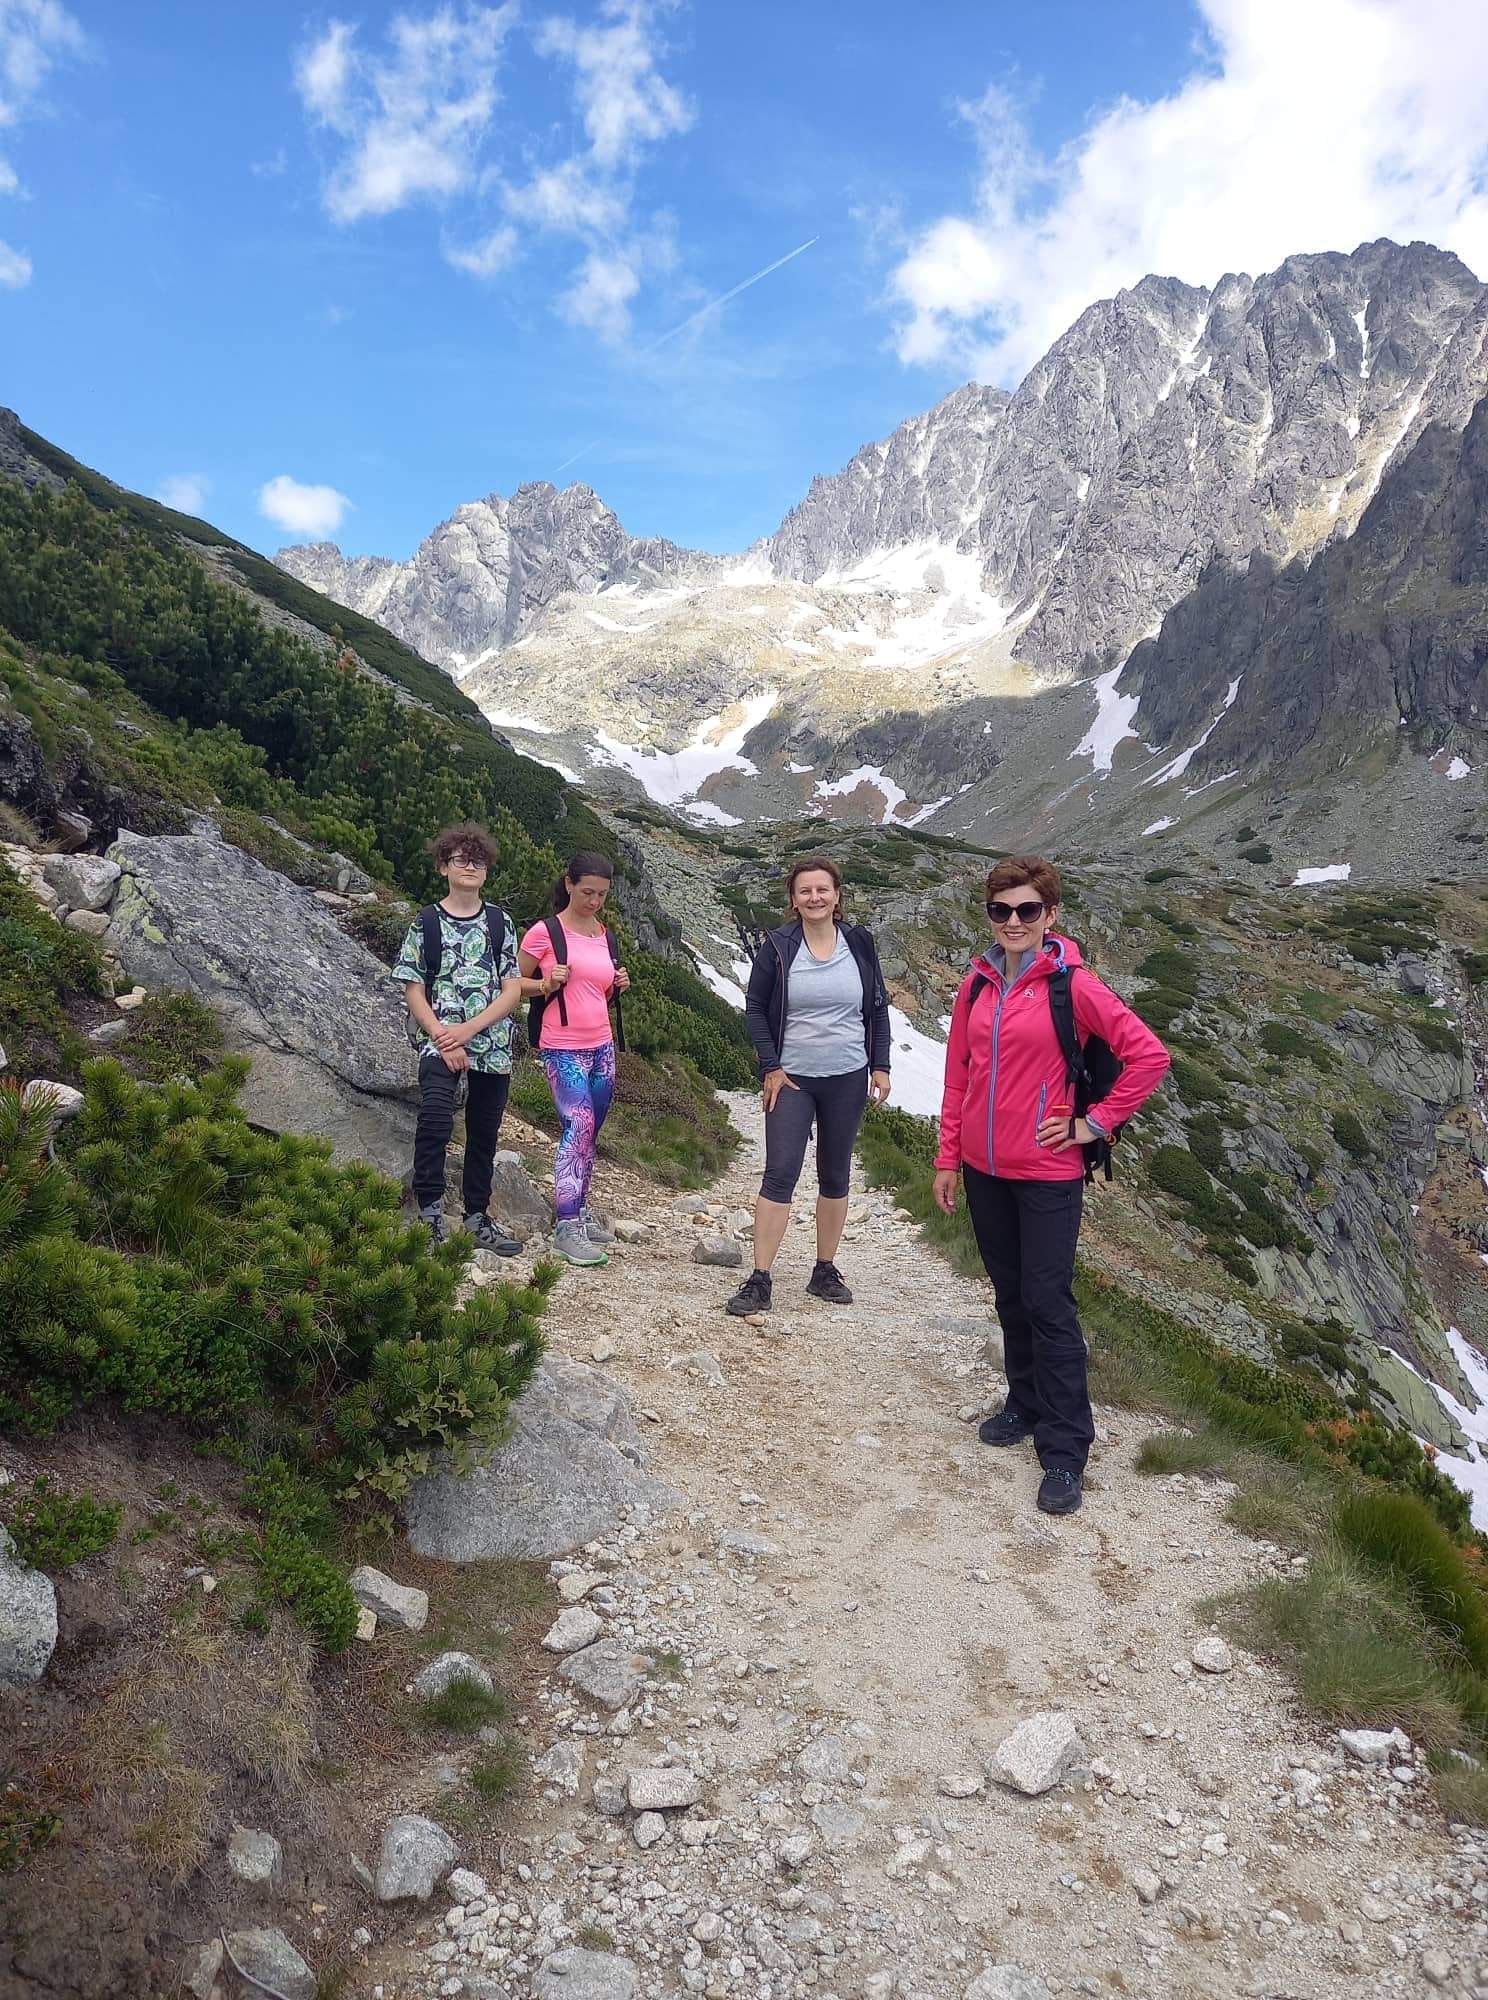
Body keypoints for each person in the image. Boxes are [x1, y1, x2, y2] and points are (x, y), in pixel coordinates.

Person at [932, 855, 1169, 1516]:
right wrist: (948, 1157)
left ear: (1050, 914)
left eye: (1027, 909)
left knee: (1047, 1302)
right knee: (1011, 1296)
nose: (1013, 921)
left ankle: (1065, 1450)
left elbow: (1149, 1055)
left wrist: (1094, 1123)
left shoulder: (1075, 986)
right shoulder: (977, 982)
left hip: (1047, 1173)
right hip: (984, 1169)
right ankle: (1024, 1404)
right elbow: (959, 1074)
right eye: (1001, 909)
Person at [727, 856, 892, 1316]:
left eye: (823, 889)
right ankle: (760, 1278)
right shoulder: (778, 946)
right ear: (794, 900)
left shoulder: (859, 943)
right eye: (805, 891)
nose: (815, 897)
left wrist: (880, 1065)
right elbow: (755, 1008)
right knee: (780, 1173)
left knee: (835, 1174)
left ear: (837, 895)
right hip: (792, 1079)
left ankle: (824, 1269)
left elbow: (877, 1006)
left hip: (847, 1075)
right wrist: (771, 1066)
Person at [394, 822, 530, 1252]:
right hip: (439, 1041)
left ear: (487, 870)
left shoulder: (500, 923)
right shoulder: (426, 922)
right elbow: (413, 987)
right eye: (461, 860)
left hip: (492, 1045)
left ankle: (476, 1218)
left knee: (484, 1135)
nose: (470, 867)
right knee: (435, 1121)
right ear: (443, 867)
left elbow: (512, 988)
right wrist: (442, 1036)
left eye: (478, 861)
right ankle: (430, 1215)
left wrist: (467, 1032)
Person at [518, 850, 631, 1267]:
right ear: (568, 884)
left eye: (602, 894)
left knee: (590, 1130)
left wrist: (617, 985)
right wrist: (545, 984)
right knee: (578, 1126)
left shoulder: (604, 934)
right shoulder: (544, 933)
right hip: (561, 1045)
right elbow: (512, 982)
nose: (594, 901)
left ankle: (579, 1212)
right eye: (587, 892)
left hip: (602, 1045)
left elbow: (595, 992)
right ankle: (566, 1227)